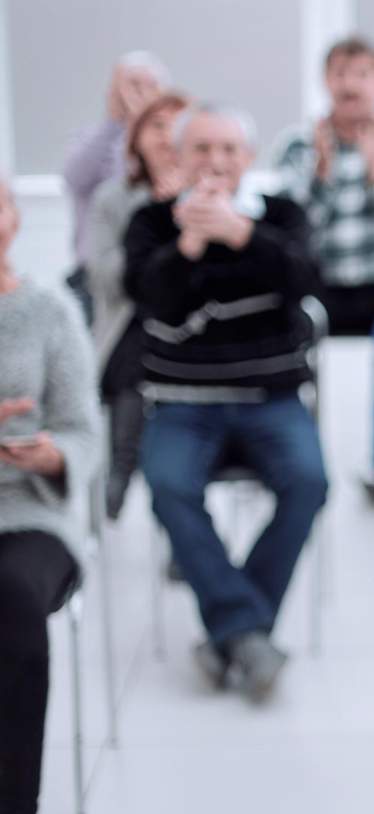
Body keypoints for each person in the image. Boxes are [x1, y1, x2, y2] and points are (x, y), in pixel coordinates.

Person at [126, 103, 327, 699]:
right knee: (167, 485)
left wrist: (242, 234)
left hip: (272, 397)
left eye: (228, 150)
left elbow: (309, 281)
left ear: (249, 157)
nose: (216, 163)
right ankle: (247, 632)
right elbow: (145, 299)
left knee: (309, 482)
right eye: (202, 150)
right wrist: (189, 244)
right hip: (181, 401)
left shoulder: (282, 215)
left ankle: (232, 633)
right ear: (179, 157)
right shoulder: (152, 223)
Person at [0, 173, 102, 814]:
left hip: (29, 513)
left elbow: (81, 427)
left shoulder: (47, 310)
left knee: (15, 614)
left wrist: (53, 455)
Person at [275, 37, 374, 337]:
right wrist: (322, 172)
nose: (350, 85)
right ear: (325, 80)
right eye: (340, 74)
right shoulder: (298, 143)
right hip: (320, 286)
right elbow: (293, 227)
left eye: (362, 74)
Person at [86, 90, 191, 520]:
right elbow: (106, 277)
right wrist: (154, 220)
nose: (168, 138)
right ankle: (124, 466)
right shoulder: (112, 198)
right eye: (157, 125)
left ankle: (130, 471)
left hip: (190, 332)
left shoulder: (209, 196)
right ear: (136, 137)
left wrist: (177, 214)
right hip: (129, 324)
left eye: (178, 125)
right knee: (139, 351)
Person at [60, 51, 169, 322]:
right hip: (94, 275)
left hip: (156, 269)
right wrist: (114, 124)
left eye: (151, 85)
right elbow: (75, 178)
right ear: (113, 90)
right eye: (132, 84)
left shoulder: (174, 147)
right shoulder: (91, 140)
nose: (142, 93)